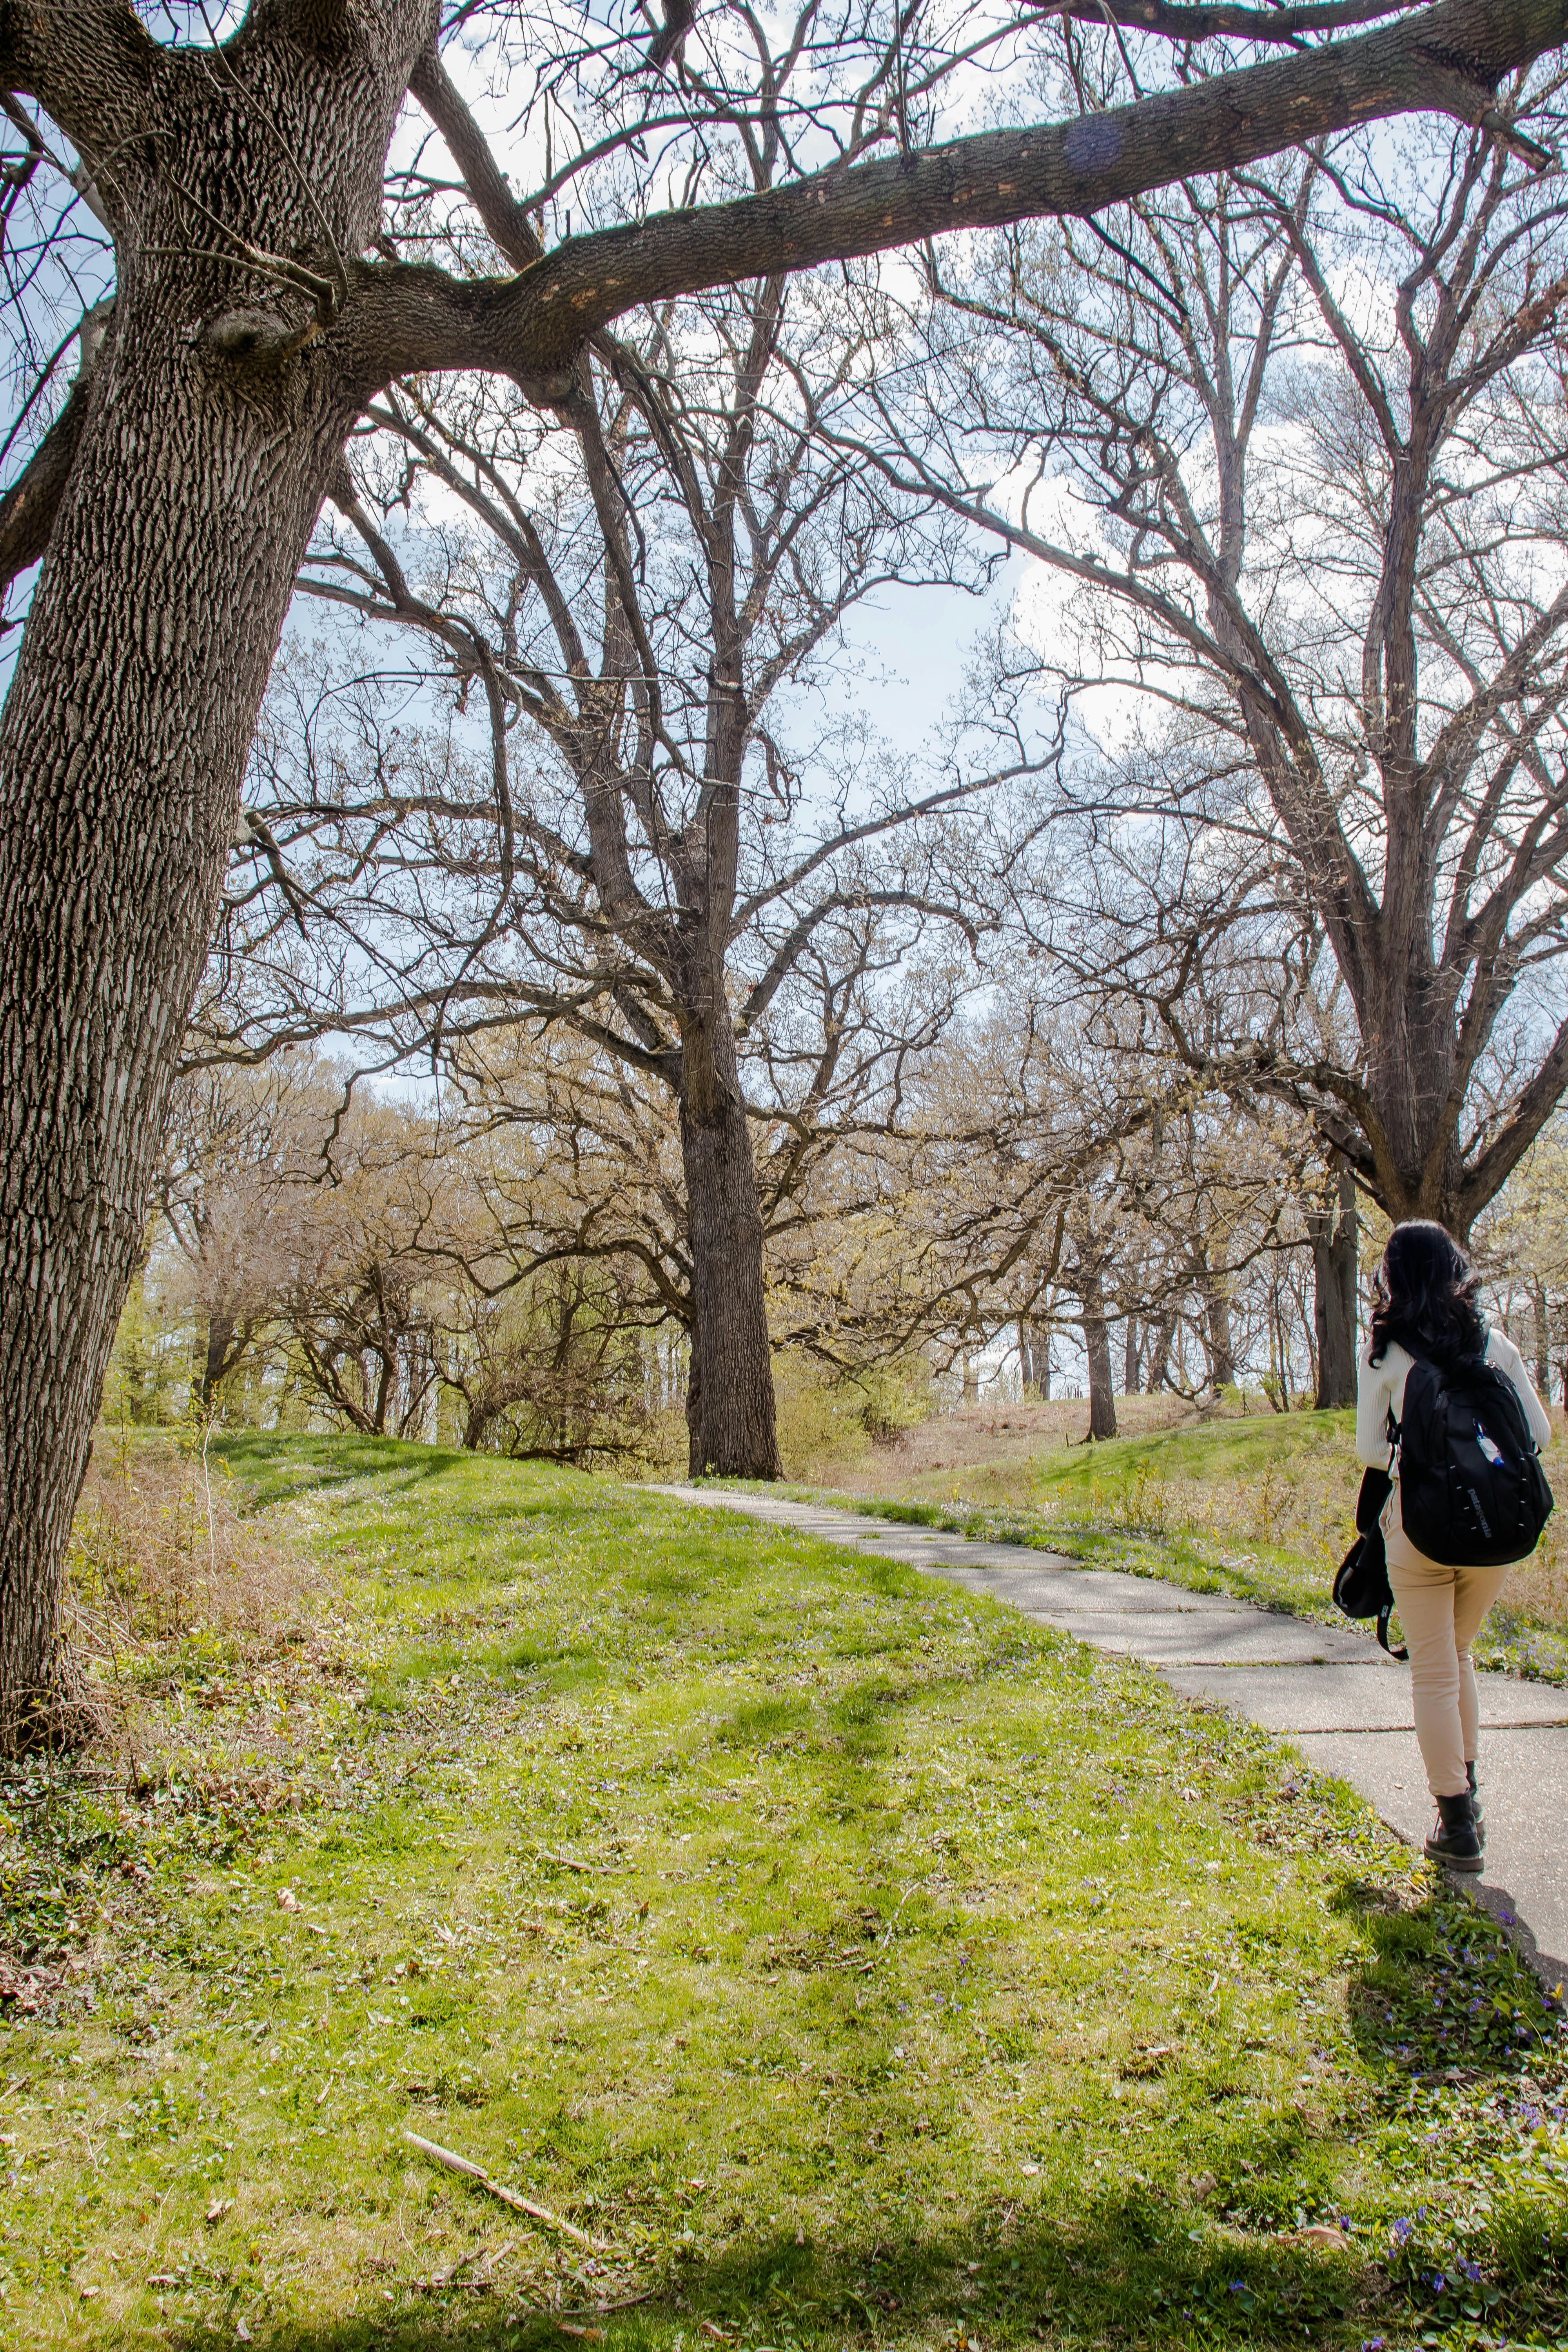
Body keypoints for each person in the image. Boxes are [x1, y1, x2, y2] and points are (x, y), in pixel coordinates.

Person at [1356, 1220, 1552, 1870]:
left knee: (1435, 1668)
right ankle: (1468, 1793)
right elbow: (1540, 1435)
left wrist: (1420, 1456)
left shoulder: (1386, 1352)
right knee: (1459, 1655)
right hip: (1496, 1530)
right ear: (1453, 1269)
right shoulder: (1496, 1343)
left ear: (1393, 1274)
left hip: (1421, 1529)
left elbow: (1369, 1452)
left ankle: (1457, 1818)